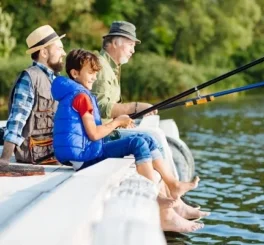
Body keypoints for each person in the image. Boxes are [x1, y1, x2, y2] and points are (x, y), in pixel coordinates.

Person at [51, 49, 202, 220]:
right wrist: (117, 122)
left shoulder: (71, 93)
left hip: (81, 152)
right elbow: (93, 134)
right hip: (83, 156)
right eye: (91, 72)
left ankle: (172, 185)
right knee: (137, 143)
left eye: (96, 72)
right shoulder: (81, 97)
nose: (94, 77)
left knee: (144, 140)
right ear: (75, 73)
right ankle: (154, 194)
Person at [92, 21, 210, 232]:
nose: (134, 49)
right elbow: (101, 108)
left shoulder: (112, 67)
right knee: (153, 133)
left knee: (154, 133)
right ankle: (171, 197)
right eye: (131, 44)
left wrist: (139, 111)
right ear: (116, 42)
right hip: (104, 132)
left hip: (112, 128)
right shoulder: (101, 67)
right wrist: (138, 106)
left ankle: (174, 197)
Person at [0, 25, 66, 169]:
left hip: (54, 157)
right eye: (59, 48)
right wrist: (5, 159)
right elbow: (17, 120)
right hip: (34, 160)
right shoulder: (29, 77)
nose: (64, 53)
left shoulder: (57, 79)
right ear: (44, 52)